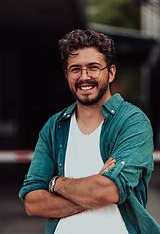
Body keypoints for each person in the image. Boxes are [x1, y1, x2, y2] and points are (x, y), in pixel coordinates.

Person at [19, 29, 160, 234]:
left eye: (93, 68)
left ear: (110, 73)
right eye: (76, 69)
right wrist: (91, 194)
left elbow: (109, 191)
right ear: (67, 74)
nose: (84, 77)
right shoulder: (54, 126)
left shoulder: (132, 122)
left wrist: (56, 183)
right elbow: (32, 202)